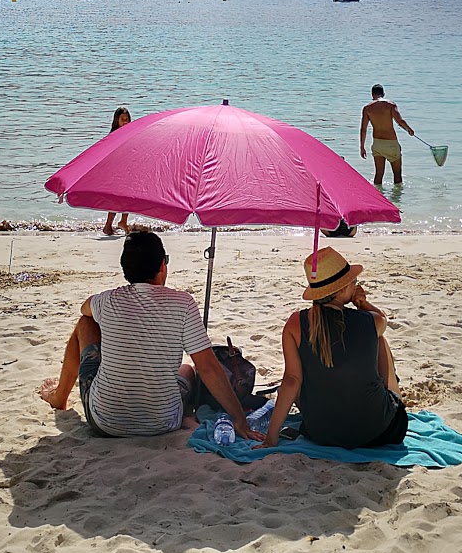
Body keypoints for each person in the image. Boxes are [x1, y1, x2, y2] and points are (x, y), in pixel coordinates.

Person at [38, 231, 261, 441]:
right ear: (162, 265)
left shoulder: (106, 301)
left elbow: (84, 310)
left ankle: (60, 397)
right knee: (187, 370)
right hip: (163, 423)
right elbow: (209, 367)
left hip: (106, 422)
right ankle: (188, 413)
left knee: (86, 322)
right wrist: (239, 419)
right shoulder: (183, 304)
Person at [256, 247, 406, 449]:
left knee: (300, 375)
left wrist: (271, 438)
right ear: (343, 289)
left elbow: (291, 381)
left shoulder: (295, 324)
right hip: (379, 431)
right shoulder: (368, 322)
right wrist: (362, 303)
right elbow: (383, 321)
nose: (355, 285)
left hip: (322, 432)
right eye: (353, 282)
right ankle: (392, 394)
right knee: (380, 339)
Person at [360, 84, 414, 187]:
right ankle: (397, 201)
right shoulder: (390, 105)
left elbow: (363, 129)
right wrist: (409, 129)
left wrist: (362, 147)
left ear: (372, 94)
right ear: (383, 94)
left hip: (377, 144)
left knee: (378, 175)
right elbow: (400, 121)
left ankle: (377, 198)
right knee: (397, 175)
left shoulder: (367, 108)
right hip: (391, 144)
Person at [102, 106, 132, 236]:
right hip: (116, 172)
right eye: (122, 120)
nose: (125, 122)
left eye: (127, 120)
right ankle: (109, 225)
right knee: (116, 200)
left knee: (129, 197)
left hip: (127, 169)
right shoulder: (114, 135)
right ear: (116, 121)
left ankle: (122, 221)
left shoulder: (131, 133)